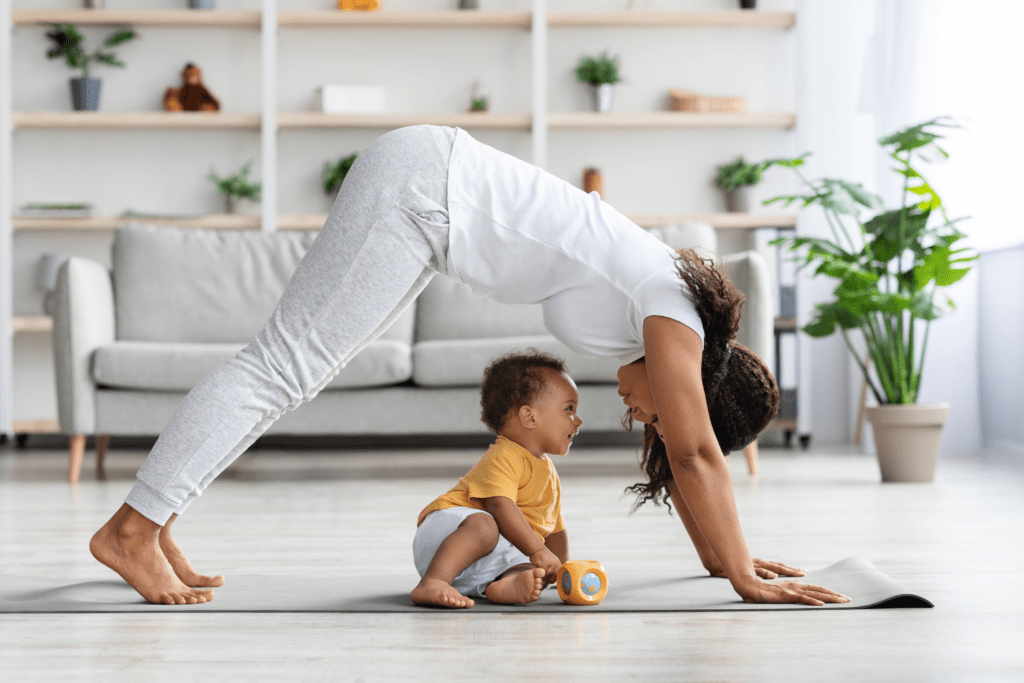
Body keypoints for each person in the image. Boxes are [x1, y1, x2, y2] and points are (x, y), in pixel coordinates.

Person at [91, 124, 848, 607]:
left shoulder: (663, 325)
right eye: (653, 410)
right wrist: (746, 578)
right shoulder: (672, 312)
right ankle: (132, 528)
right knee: (282, 367)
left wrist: (727, 560)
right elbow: (693, 451)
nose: (637, 415)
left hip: (430, 207)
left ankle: (154, 523)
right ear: (699, 388)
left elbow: (679, 459)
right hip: (423, 190)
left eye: (646, 416)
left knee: (295, 373)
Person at [410, 351, 578, 609]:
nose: (577, 421)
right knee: (486, 526)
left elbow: (554, 527)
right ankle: (433, 582)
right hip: (447, 535)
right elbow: (500, 506)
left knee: (533, 571)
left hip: (478, 561)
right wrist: (539, 551)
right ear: (529, 417)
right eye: (569, 409)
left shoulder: (547, 471)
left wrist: (561, 569)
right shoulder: (505, 455)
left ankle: (502, 586)